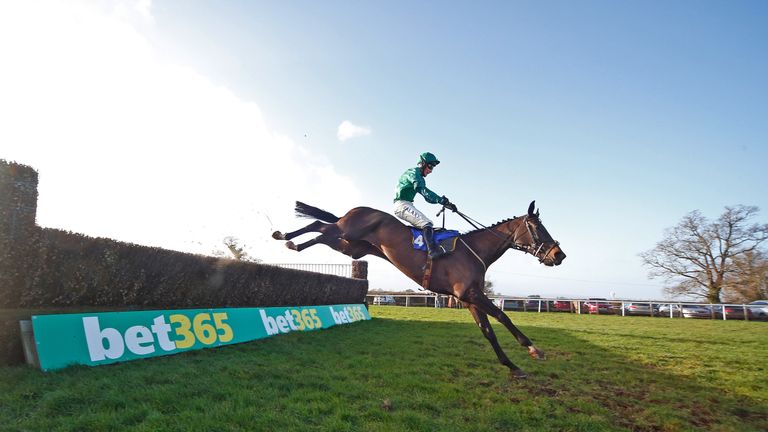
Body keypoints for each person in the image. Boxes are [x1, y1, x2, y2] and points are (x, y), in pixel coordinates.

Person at [393, 152, 458, 259]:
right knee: (427, 223)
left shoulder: (418, 176)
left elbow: (427, 198)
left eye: (433, 168)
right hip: (401, 205)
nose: (431, 171)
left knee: (428, 224)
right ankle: (432, 252)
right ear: (422, 163)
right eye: (430, 166)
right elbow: (423, 191)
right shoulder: (413, 173)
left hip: (406, 204)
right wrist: (442, 200)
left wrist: (446, 203)